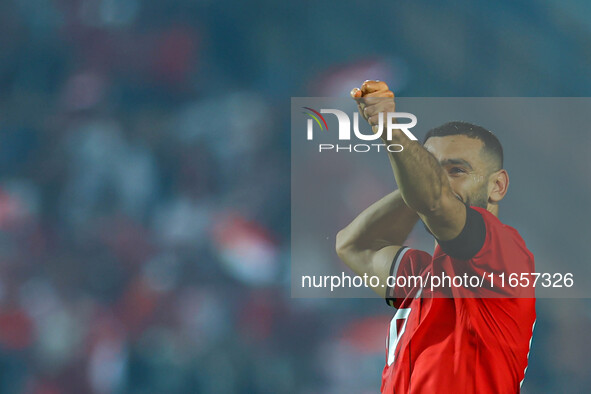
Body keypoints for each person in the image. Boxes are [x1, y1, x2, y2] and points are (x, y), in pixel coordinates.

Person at [335, 81, 536, 393]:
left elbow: (435, 200)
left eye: (457, 171)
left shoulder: (505, 256)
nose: (442, 182)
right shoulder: (423, 279)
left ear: (497, 186)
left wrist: (390, 129)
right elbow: (353, 245)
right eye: (432, 169)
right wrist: (417, 177)